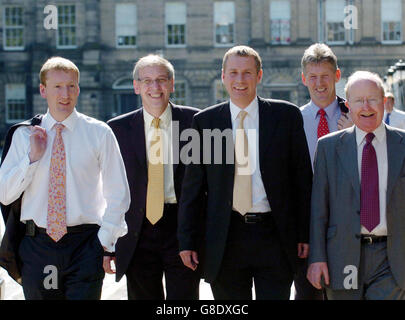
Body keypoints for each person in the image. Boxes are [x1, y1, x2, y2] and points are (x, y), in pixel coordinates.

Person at [178, 45, 312, 299]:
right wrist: (186, 240)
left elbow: (302, 180)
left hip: (274, 235)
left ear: (259, 76)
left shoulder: (286, 116)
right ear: (223, 76)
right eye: (234, 73)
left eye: (247, 73)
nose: (240, 80)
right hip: (225, 238)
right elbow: (192, 188)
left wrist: (304, 234)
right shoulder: (204, 123)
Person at [0, 57, 130, 299]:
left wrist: (103, 242)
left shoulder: (100, 133)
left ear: (78, 89)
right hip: (37, 246)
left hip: (85, 246)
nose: (65, 93)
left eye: (71, 86)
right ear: (43, 90)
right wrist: (31, 158)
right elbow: (5, 194)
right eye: (57, 86)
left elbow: (119, 194)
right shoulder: (24, 135)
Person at [107, 55, 202, 300]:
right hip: (136, 231)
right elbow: (107, 189)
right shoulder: (116, 129)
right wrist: (108, 242)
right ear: (136, 86)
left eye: (161, 80)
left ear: (172, 84)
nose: (155, 87)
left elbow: (209, 184)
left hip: (181, 228)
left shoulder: (196, 122)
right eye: (147, 81)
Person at [307, 71, 405, 300]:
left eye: (372, 99)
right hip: (341, 255)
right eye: (359, 100)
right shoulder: (328, 148)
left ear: (383, 102)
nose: (366, 106)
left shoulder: (402, 144)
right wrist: (317, 258)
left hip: (391, 258)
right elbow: (319, 208)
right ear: (348, 105)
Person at [296, 43, 353, 300]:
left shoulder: (355, 115)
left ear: (337, 76)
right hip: (306, 226)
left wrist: (357, 133)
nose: (319, 84)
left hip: (348, 223)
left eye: (325, 77)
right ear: (304, 79)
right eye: (313, 77)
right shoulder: (292, 120)